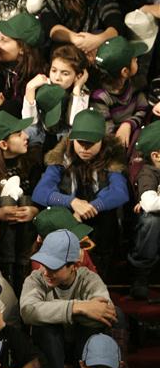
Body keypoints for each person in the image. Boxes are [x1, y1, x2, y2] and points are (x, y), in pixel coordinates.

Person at [32, 109, 130, 275]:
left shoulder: (112, 156)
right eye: (80, 142)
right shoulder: (61, 156)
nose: (85, 148)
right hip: (68, 215)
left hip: (99, 218)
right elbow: (41, 192)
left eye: (91, 143)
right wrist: (72, 202)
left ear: (102, 140)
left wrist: (93, 207)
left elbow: (120, 192)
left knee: (108, 218)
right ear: (72, 139)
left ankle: (100, 273)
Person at [19, 229, 119, 368]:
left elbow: (106, 312)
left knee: (93, 329)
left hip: (80, 345)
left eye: (53, 267)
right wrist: (78, 308)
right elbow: (28, 311)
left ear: (74, 265)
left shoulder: (89, 279)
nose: (46, 272)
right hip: (51, 349)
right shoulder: (36, 278)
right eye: (44, 264)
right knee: (45, 329)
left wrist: (53, 312)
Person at [0, 110, 43, 286]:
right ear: (3, 144)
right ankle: (8, 272)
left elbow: (43, 198)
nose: (26, 136)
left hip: (27, 239)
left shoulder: (32, 164)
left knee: (26, 200)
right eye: (19, 134)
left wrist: (35, 210)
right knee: (6, 202)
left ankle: (24, 269)